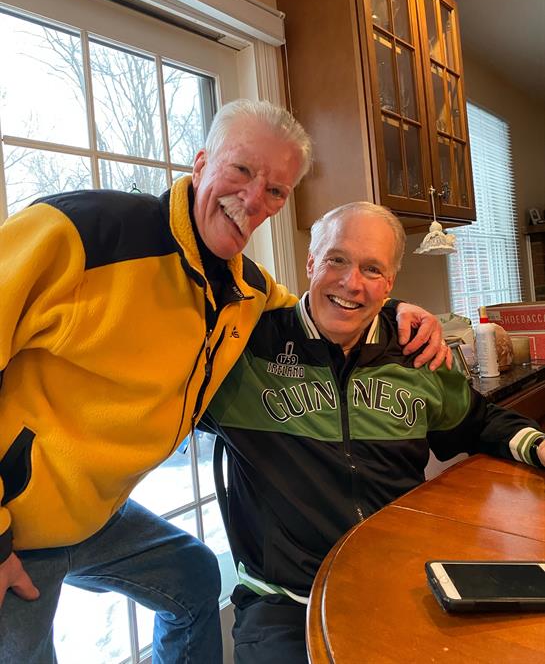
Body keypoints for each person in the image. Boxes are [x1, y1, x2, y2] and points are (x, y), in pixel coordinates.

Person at [0, 100, 448, 663]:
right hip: (15, 520)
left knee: (190, 578)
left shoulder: (247, 289)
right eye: (241, 169)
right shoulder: (83, 232)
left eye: (276, 190)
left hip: (96, 517)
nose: (254, 199)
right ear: (200, 163)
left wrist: (395, 311)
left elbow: (324, 307)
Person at [202, 201, 545, 664]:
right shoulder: (244, 348)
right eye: (336, 259)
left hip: (398, 582)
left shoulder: (415, 352)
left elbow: (478, 422)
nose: (351, 283)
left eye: (372, 269)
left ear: (390, 283)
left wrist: (537, 444)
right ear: (310, 262)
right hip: (285, 602)